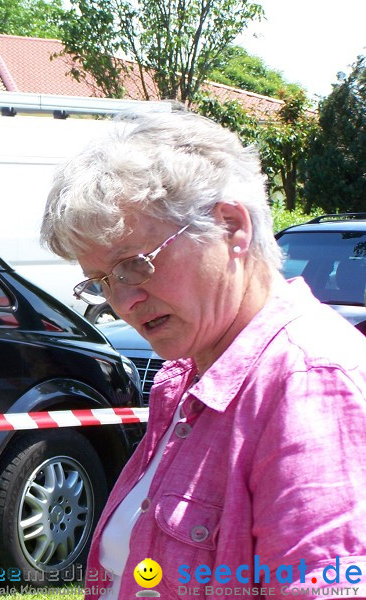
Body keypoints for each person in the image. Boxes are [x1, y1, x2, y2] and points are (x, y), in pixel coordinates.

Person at [41, 110, 366, 599]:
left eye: (134, 264)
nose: (122, 302)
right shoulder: (186, 379)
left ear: (232, 227)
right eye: (101, 281)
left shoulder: (309, 381)